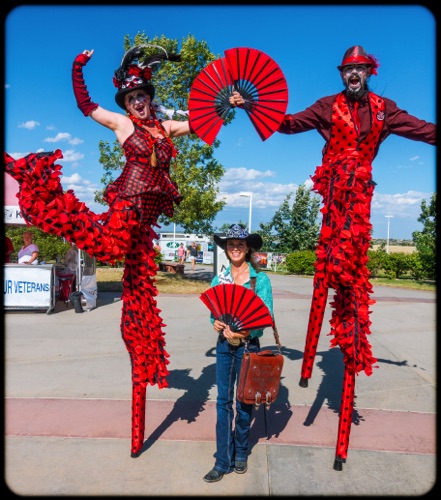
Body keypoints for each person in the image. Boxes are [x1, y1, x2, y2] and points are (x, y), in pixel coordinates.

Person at [230, 45, 436, 468]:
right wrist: (252, 105)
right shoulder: (327, 106)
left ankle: (344, 400)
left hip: (359, 206)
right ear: (342, 74)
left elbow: (422, 129)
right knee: (326, 275)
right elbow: (287, 125)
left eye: (359, 69)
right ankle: (308, 365)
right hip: (332, 207)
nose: (353, 75)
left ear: (369, 72)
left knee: (352, 286)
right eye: (348, 70)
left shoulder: (384, 111)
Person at [5, 44, 193, 458]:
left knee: (141, 297)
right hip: (126, 209)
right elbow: (85, 104)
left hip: (147, 226)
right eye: (132, 98)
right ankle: (40, 189)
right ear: (126, 103)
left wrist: (228, 103)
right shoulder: (125, 126)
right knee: (106, 244)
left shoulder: (166, 128)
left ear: (151, 97)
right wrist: (77, 66)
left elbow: (201, 120)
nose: (138, 102)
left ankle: (145, 362)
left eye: (143, 95)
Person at [203, 224, 273, 483]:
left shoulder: (259, 280)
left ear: (248, 248)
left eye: (240, 244)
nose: (235, 248)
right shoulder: (219, 277)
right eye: (231, 244)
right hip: (223, 347)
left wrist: (243, 334)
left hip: (247, 348)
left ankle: (241, 451)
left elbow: (265, 317)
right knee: (223, 402)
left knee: (244, 402)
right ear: (226, 248)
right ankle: (222, 460)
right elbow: (213, 310)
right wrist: (216, 323)